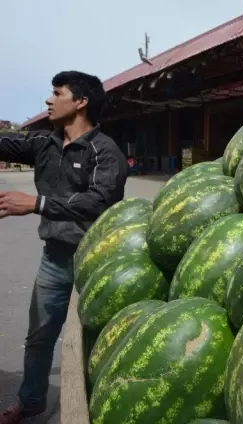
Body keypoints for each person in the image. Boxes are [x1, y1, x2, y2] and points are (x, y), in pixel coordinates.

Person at [0, 71, 127, 423]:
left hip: (98, 262)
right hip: (54, 260)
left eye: (57, 93)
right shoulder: (44, 144)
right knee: (39, 337)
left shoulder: (106, 152)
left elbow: (99, 202)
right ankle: (30, 402)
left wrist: (37, 203)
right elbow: (6, 142)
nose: (48, 100)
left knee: (99, 343)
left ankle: (103, 408)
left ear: (80, 102)